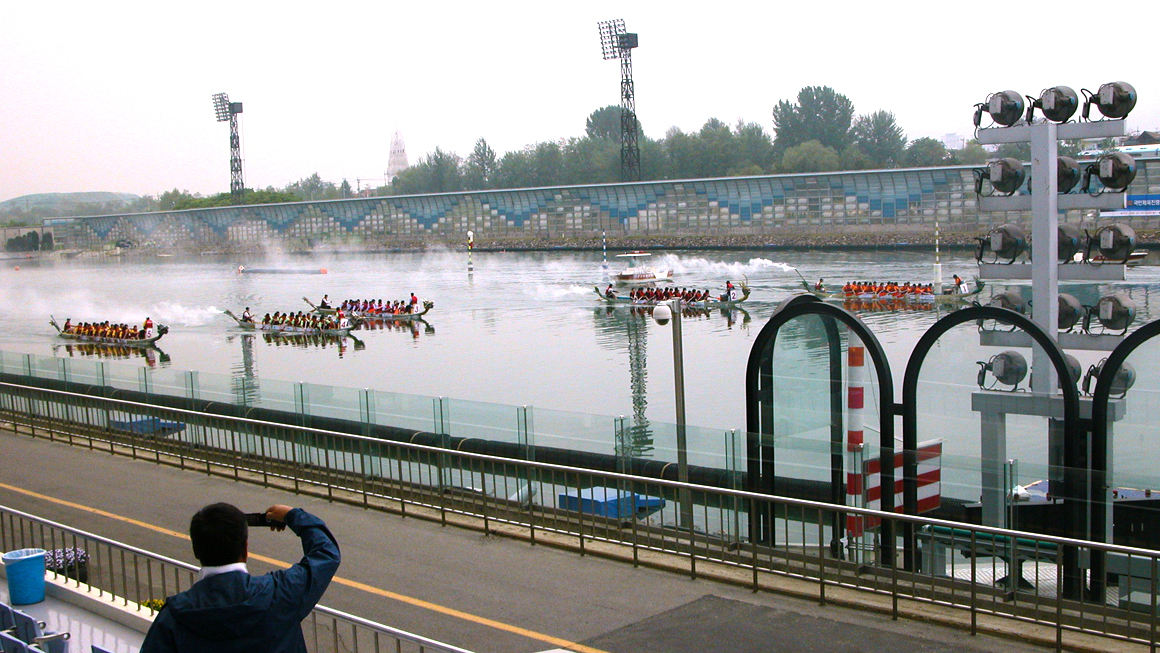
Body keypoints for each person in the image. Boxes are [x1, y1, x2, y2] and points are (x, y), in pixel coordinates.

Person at [140, 503, 340, 653]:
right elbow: (326, 553)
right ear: (245, 548)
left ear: (196, 551)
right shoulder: (280, 593)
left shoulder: (173, 618)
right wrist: (293, 515)